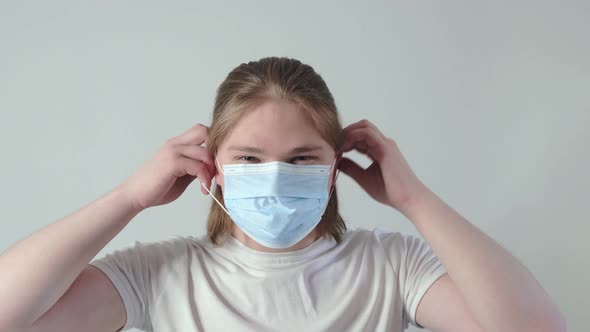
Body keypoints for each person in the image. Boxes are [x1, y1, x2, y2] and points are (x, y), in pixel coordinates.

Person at [0, 57, 565, 332]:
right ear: (211, 166)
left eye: (300, 158)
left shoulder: (392, 265)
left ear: (336, 165)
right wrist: (127, 198)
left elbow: (536, 330)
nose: (273, 176)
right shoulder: (159, 274)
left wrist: (415, 200)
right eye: (248, 158)